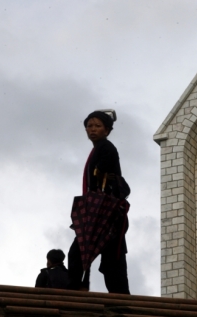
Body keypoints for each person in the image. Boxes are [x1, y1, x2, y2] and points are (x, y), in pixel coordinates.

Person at [68, 110, 130, 294]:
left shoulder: (105, 148)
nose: (92, 129)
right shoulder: (99, 148)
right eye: (89, 126)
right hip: (106, 212)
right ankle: (120, 296)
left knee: (81, 251)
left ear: (107, 130)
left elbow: (102, 176)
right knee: (112, 258)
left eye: (97, 126)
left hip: (103, 212)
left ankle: (79, 289)